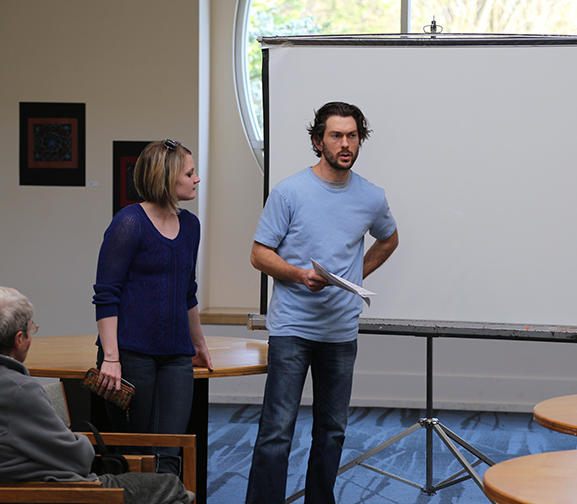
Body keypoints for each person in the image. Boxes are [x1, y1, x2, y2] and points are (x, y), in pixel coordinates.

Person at [245, 102, 399, 503]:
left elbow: (389, 239)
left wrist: (354, 277)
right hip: (292, 329)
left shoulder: (371, 196)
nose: (345, 144)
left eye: (352, 136)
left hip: (341, 332)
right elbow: (259, 254)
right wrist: (299, 275)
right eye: (336, 136)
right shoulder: (289, 191)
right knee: (277, 431)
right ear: (318, 142)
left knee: (332, 431)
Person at [0, 285, 191, 504]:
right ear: (19, 339)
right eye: (31, 329)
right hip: (51, 491)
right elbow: (78, 458)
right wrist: (80, 443)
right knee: (171, 486)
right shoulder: (19, 390)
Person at [92, 139, 213, 475]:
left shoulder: (191, 226)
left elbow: (187, 292)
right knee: (135, 450)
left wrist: (199, 345)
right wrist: (111, 358)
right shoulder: (128, 223)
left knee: (171, 451)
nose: (196, 179)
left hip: (176, 356)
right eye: (190, 173)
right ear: (166, 178)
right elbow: (106, 295)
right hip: (131, 355)